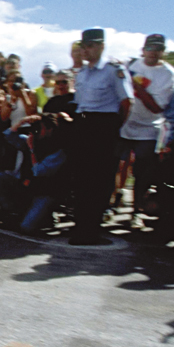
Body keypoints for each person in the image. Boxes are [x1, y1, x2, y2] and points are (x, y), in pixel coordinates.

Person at [69, 28, 134, 245]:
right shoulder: (83, 73)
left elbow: (126, 103)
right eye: (84, 46)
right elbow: (79, 103)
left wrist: (114, 128)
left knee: (101, 180)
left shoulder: (113, 70)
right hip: (83, 126)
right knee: (81, 179)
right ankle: (80, 228)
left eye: (90, 46)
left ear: (101, 46)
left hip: (104, 127)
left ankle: (91, 230)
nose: (85, 50)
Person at [116, 34, 174, 228]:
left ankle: (136, 211)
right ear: (143, 50)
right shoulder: (131, 65)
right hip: (125, 124)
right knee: (116, 165)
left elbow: (156, 107)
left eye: (158, 49)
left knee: (142, 172)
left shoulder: (169, 74)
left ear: (163, 52)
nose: (153, 52)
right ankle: (111, 204)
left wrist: (134, 85)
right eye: (150, 48)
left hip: (149, 128)